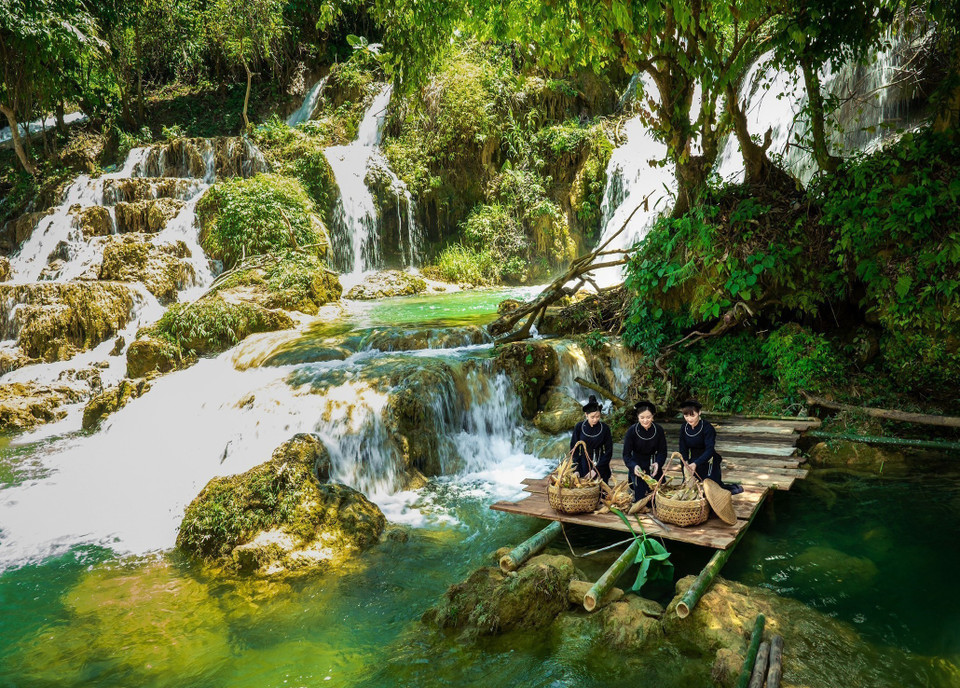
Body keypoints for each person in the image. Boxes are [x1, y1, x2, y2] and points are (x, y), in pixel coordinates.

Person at [676, 399, 743, 495]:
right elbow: (683, 448)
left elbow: (710, 450)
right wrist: (685, 463)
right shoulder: (684, 427)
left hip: (708, 461)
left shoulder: (707, 428)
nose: (689, 419)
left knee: (711, 491)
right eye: (686, 416)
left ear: (699, 412)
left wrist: (696, 463)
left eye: (692, 415)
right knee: (690, 489)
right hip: (692, 461)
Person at [622, 400, 667, 501]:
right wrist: (633, 466)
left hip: (653, 464)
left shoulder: (658, 430)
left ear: (653, 416)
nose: (645, 421)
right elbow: (626, 455)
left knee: (656, 499)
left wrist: (658, 464)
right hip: (637, 465)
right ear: (638, 417)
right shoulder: (632, 431)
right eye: (642, 418)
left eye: (648, 417)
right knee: (641, 499)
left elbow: (662, 452)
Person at [569, 395, 613, 482]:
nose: (595, 420)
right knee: (583, 486)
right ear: (586, 415)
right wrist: (576, 469)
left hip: (600, 462)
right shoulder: (579, 427)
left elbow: (609, 451)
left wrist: (596, 470)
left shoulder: (604, 428)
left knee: (601, 488)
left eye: (598, 417)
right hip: (583, 462)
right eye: (592, 417)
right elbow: (574, 449)